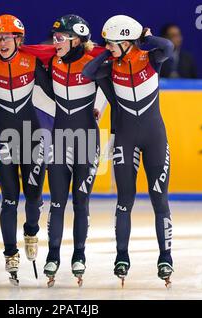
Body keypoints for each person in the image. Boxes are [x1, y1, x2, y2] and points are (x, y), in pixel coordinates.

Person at [82, 15, 174, 288]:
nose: (107, 46)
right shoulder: (110, 67)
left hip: (154, 137)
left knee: (160, 200)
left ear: (127, 41)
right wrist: (108, 53)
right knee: (124, 200)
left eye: (112, 42)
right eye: (107, 42)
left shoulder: (151, 59)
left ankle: (165, 256)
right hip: (126, 138)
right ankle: (122, 256)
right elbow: (89, 72)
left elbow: (168, 48)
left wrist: (145, 40)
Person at [42, 14, 115, 287]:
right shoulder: (52, 61)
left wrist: (101, 111)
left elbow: (111, 94)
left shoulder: (94, 65)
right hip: (60, 139)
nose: (55, 42)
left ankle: (79, 255)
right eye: (54, 37)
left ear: (76, 40)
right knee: (57, 202)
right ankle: (52, 255)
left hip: (86, 140)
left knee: (81, 202)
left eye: (60, 38)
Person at [0, 14, 54, 285]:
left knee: (34, 198)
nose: (1, 43)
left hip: (33, 138)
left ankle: (31, 230)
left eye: (7, 37)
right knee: (9, 198)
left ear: (18, 39)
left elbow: (55, 89)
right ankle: (10, 253)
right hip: (2, 138)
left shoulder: (32, 61)